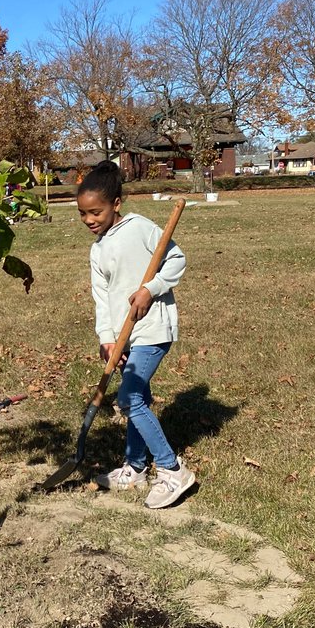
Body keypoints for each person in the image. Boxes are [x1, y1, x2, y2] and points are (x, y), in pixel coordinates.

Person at [77, 162, 196, 509]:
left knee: (129, 399)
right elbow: (102, 298)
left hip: (153, 329)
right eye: (83, 214)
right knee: (138, 394)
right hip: (126, 337)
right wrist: (107, 337)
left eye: (95, 212)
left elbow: (175, 259)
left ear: (116, 204)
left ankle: (173, 470)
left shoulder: (140, 228)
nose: (89, 220)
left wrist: (150, 288)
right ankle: (136, 467)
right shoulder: (97, 250)